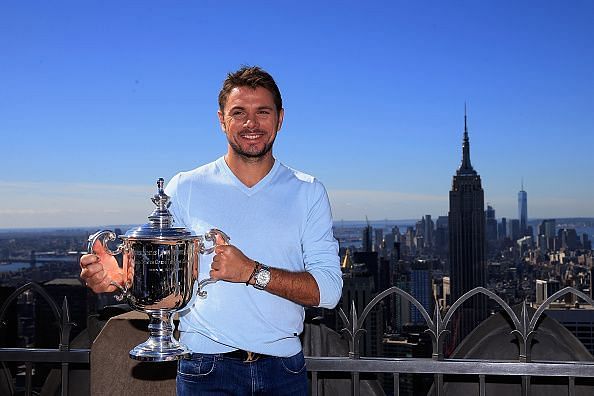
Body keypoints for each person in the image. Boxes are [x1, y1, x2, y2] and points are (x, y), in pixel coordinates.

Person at [80, 66, 343, 395]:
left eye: (263, 112)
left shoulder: (308, 191)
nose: (251, 124)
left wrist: (251, 272)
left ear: (280, 118)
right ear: (221, 120)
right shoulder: (186, 186)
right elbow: (163, 277)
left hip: (284, 369)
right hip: (205, 368)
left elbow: (329, 291)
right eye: (239, 113)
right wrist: (122, 277)